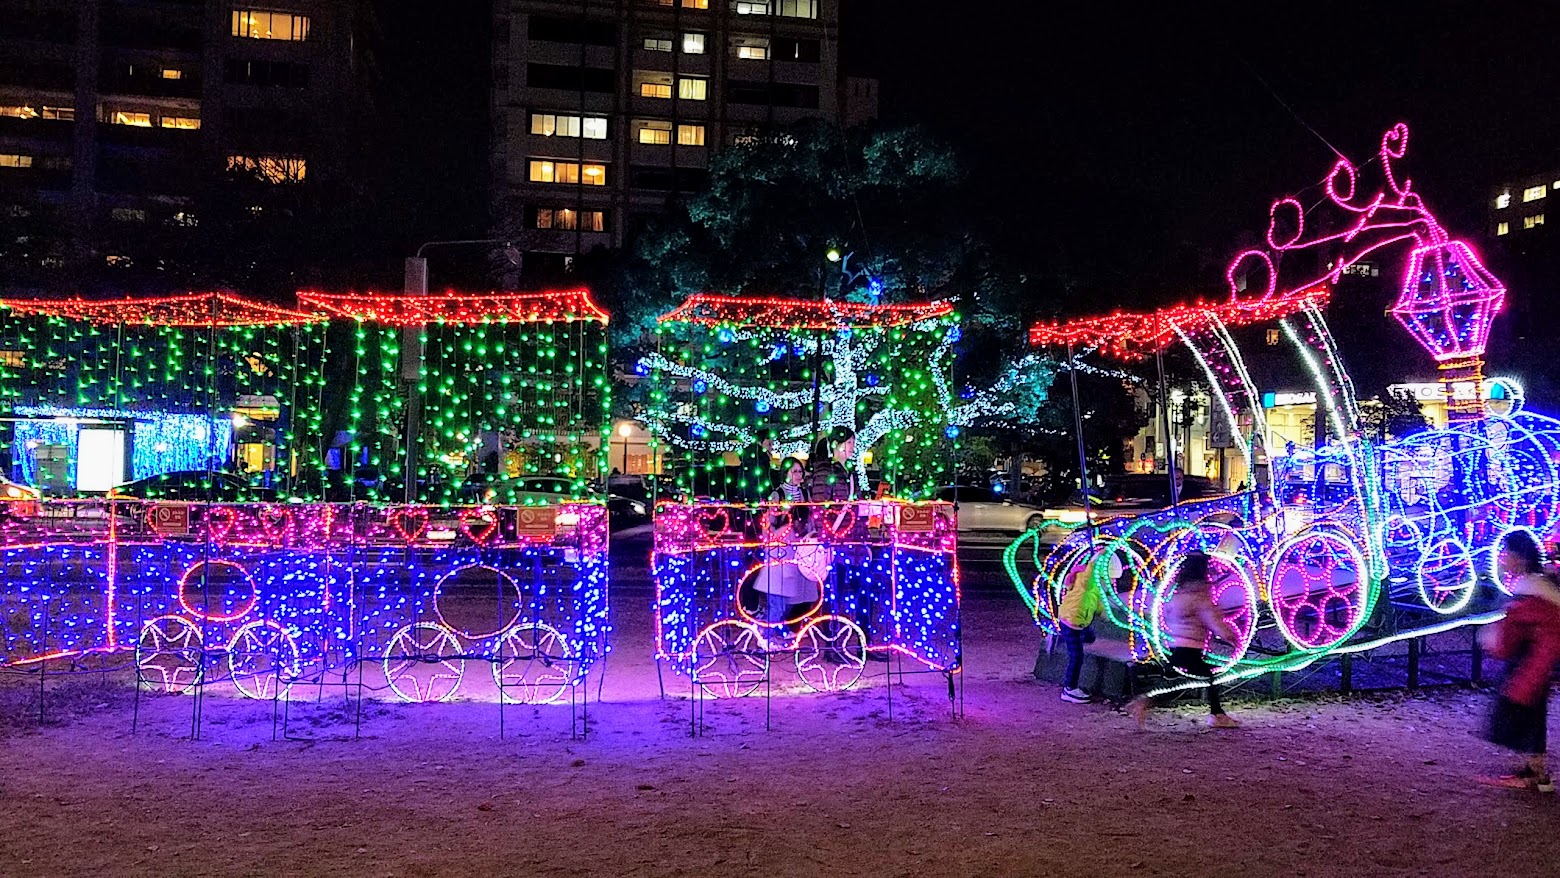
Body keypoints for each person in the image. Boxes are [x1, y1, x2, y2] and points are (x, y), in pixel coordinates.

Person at [1478, 530, 1560, 792]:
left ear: (1520, 557)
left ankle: (1534, 773)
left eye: (1507, 554)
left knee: (1524, 713)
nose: (1502, 559)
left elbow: (1516, 631)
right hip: (1538, 661)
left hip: (1534, 662)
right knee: (1531, 713)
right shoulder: (1538, 586)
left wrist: (1492, 639)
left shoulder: (1531, 589)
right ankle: (1535, 771)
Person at [1127, 552, 1241, 729]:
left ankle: (1145, 702)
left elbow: (1170, 614)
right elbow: (1212, 619)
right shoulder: (1200, 595)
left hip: (1176, 645)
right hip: (1190, 646)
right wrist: (1229, 635)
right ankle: (1216, 715)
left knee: (1182, 681)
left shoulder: (1179, 593)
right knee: (1202, 679)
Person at [1057, 554, 1104, 703]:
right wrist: (1097, 558)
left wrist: (1104, 612)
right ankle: (1069, 689)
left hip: (1079, 621)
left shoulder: (1093, 586)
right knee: (1077, 657)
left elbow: (1097, 600)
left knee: (1090, 637)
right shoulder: (1085, 582)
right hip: (1073, 621)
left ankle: (1061, 636)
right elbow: (1090, 574)